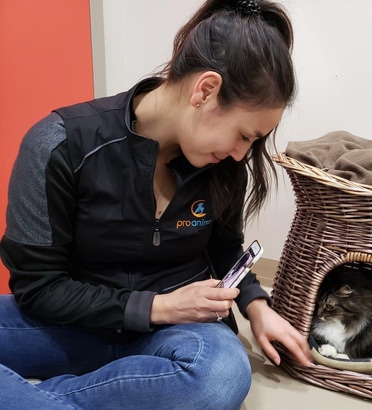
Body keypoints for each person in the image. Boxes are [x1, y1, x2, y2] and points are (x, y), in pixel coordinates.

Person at [0, 0, 312, 408]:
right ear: (206, 90)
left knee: (217, 379)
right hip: (69, 323)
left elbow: (223, 249)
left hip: (178, 335)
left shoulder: (223, 165)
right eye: (244, 134)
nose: (242, 153)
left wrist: (256, 306)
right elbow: (38, 287)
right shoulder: (59, 143)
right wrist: (157, 306)